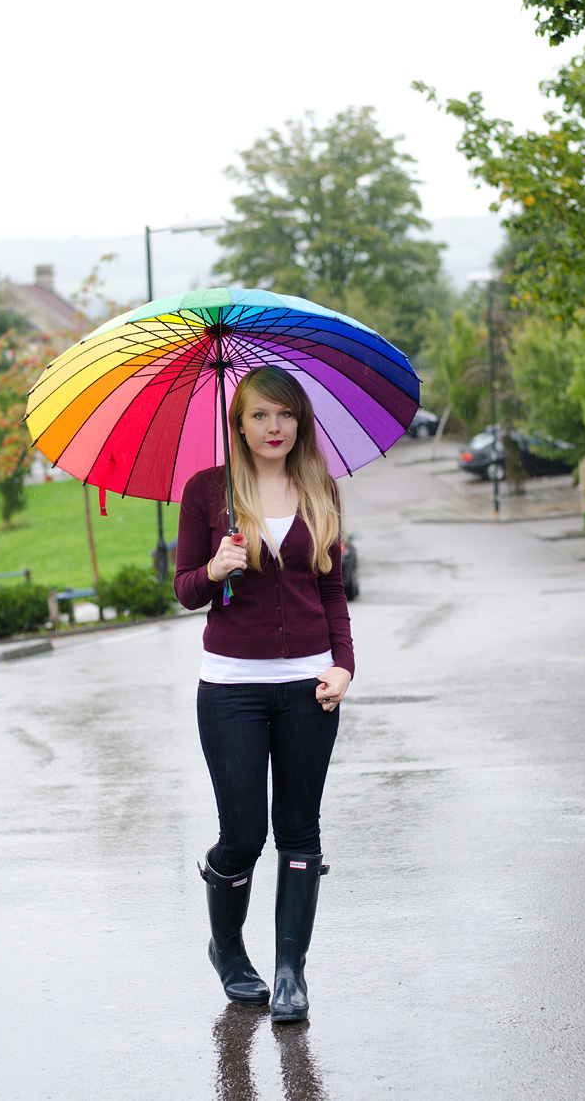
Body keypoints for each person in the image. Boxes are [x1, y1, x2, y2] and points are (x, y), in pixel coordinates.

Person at [174, 366, 354, 1023]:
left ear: (299, 422)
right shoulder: (206, 494)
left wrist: (344, 666)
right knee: (244, 833)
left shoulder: (319, 488)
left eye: (284, 415)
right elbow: (186, 589)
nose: (273, 428)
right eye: (259, 416)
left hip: (310, 685)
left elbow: (331, 589)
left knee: (299, 830)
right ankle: (227, 948)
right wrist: (214, 568)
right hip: (231, 689)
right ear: (239, 424)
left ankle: (289, 973)